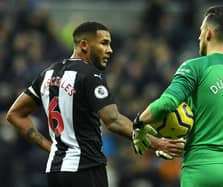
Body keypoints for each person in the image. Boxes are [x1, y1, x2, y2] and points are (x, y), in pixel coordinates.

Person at [6, 21, 185, 187]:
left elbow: (15, 114)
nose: (110, 50)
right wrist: (157, 143)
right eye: (104, 43)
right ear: (84, 45)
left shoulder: (48, 74)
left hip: (55, 170)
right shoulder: (89, 75)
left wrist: (50, 148)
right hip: (85, 169)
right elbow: (113, 120)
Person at [132, 6, 223, 187]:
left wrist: (139, 123)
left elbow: (165, 104)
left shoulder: (195, 67)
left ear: (207, 33)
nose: (198, 37)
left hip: (202, 168)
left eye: (200, 32)